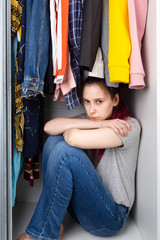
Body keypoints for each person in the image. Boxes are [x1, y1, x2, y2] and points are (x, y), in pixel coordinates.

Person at [17, 77, 141, 240]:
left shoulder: (127, 126)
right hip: (84, 210)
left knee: (65, 151)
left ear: (115, 100)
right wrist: (101, 124)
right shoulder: (96, 121)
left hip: (110, 218)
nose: (92, 110)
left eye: (99, 102)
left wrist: (76, 128)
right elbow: (50, 127)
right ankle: (53, 222)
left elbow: (72, 138)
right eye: (87, 102)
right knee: (54, 141)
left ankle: (43, 234)